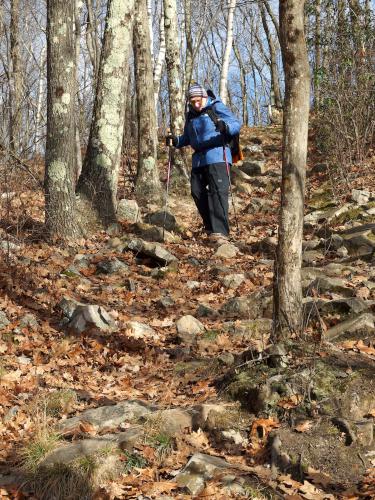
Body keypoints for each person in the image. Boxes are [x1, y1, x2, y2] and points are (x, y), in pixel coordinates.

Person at [166, 83, 241, 243]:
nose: (196, 104)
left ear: (205, 97)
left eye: (198, 100)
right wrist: (176, 141)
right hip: (199, 159)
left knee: (218, 192)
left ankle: (220, 233)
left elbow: (235, 124)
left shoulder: (216, 107)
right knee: (196, 191)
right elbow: (187, 137)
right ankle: (210, 227)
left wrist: (224, 126)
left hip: (218, 155)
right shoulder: (191, 115)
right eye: (192, 102)